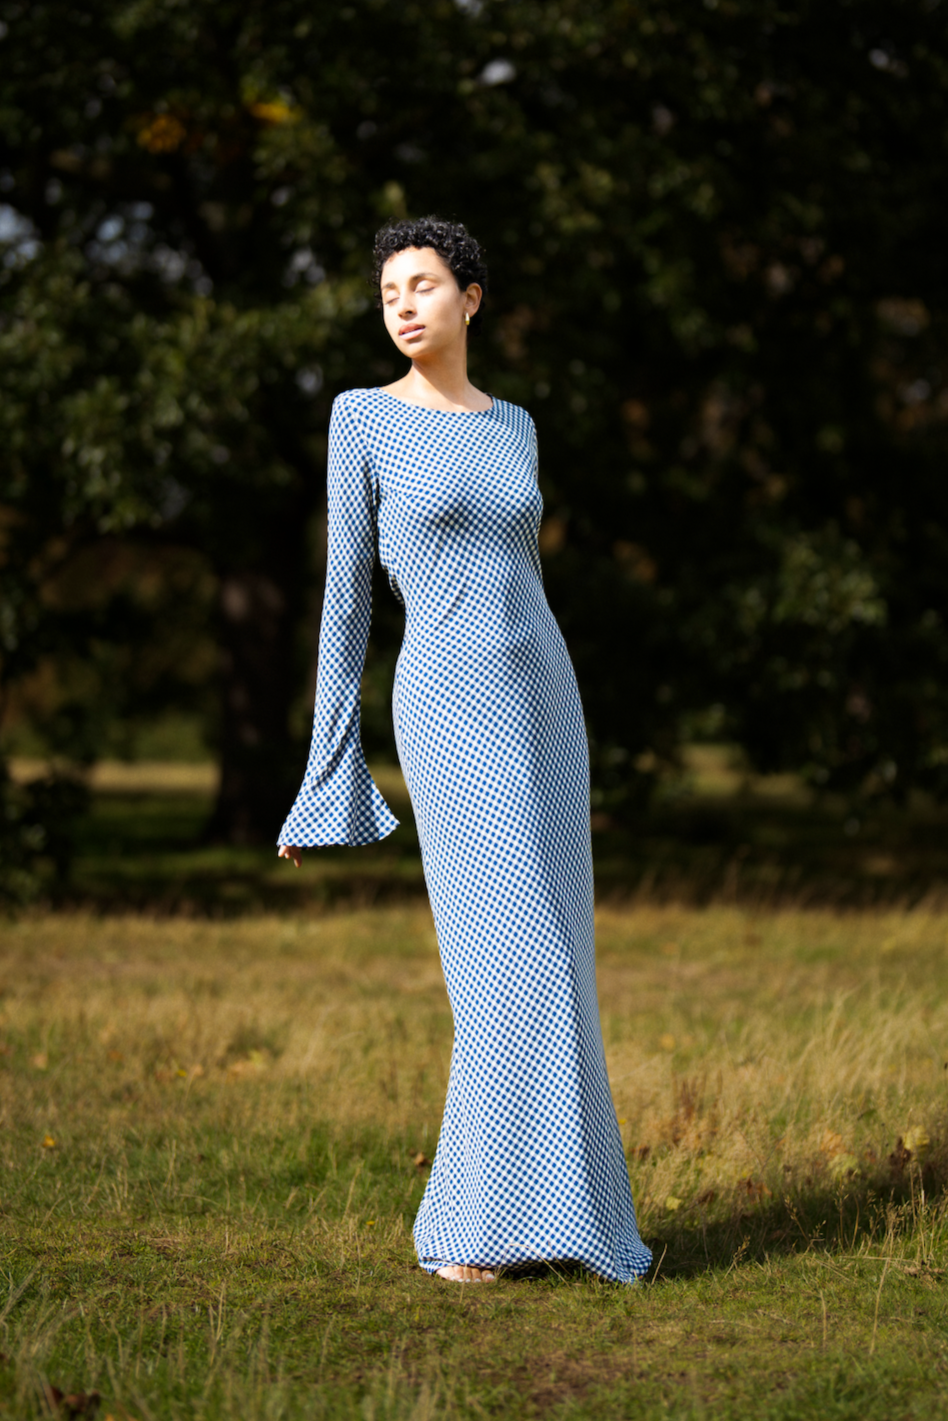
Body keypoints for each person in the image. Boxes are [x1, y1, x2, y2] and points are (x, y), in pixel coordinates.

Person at [278, 216, 651, 1286]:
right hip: (447, 704)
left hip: (544, 695)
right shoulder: (363, 419)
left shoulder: (518, 426)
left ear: (471, 298)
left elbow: (523, 578)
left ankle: (555, 1217)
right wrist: (325, 773)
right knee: (509, 959)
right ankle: (475, 1226)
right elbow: (347, 598)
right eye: (389, 288)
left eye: (423, 283)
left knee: (562, 963)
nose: (402, 302)